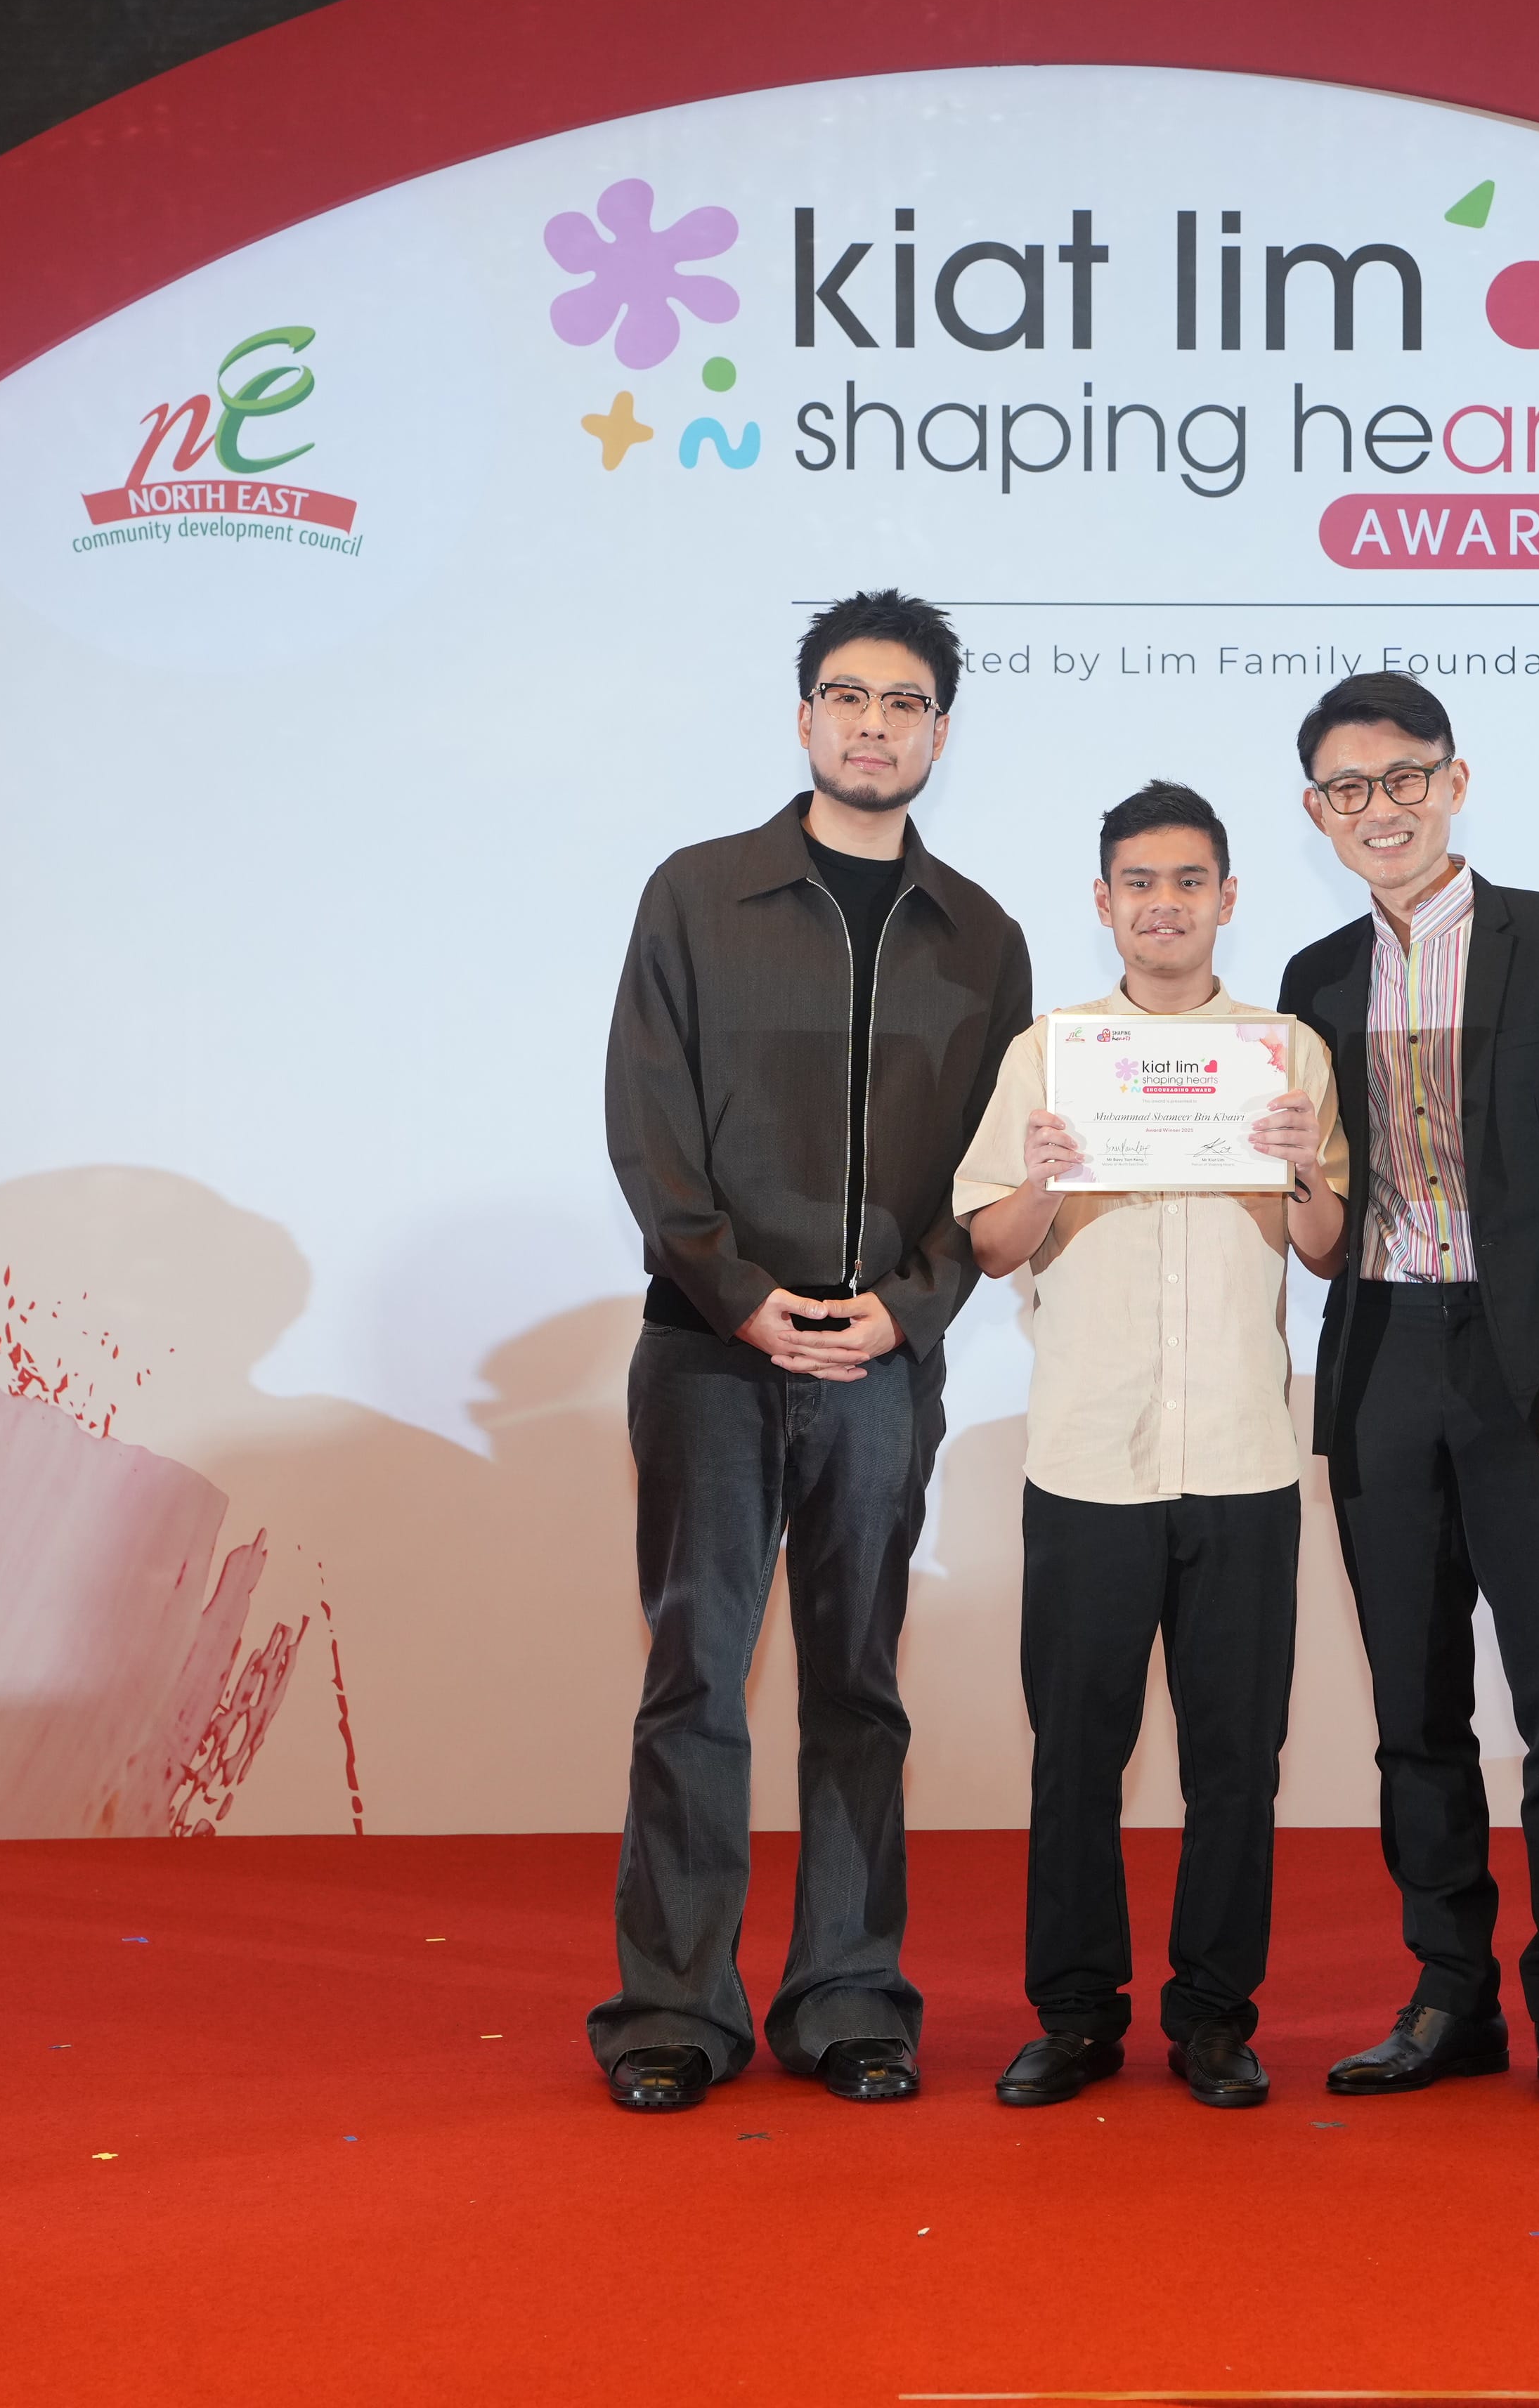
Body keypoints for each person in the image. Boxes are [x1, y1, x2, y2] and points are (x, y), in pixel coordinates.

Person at [592, 590, 1034, 2114]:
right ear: (801, 719)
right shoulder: (699, 895)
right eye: (844, 697)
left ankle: (850, 1996)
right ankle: (673, 2005)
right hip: (711, 1353)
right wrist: (739, 1295)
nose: (871, 724)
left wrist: (903, 1310)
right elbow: (648, 1129)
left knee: (859, 1686)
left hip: (883, 1366)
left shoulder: (984, 936)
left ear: (941, 733)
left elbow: (996, 1176)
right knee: (695, 1678)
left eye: (903, 704)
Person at [1275, 675, 1539, 2116]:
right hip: (1379, 1361)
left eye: (1403, 779)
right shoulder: (1313, 981)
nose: (1378, 810)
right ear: (1316, 814)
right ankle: (1449, 1994)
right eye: (1346, 791)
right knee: (1412, 1708)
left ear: (1455, 781)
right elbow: (1322, 1198)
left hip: (1534, 1369)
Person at [951, 783, 1350, 2111]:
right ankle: (1073, 2017)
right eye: (1139, 882)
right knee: (1076, 1751)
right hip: (1087, 1460)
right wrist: (1054, 1177)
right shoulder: (1050, 1053)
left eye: (1190, 881)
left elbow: (1329, 1247)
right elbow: (987, 1241)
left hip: (1242, 1454)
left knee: (1238, 1757)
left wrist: (1301, 1169)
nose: (1163, 904)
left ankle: (1217, 2020)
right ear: (1105, 899)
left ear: (1229, 897)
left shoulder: (1286, 1053)